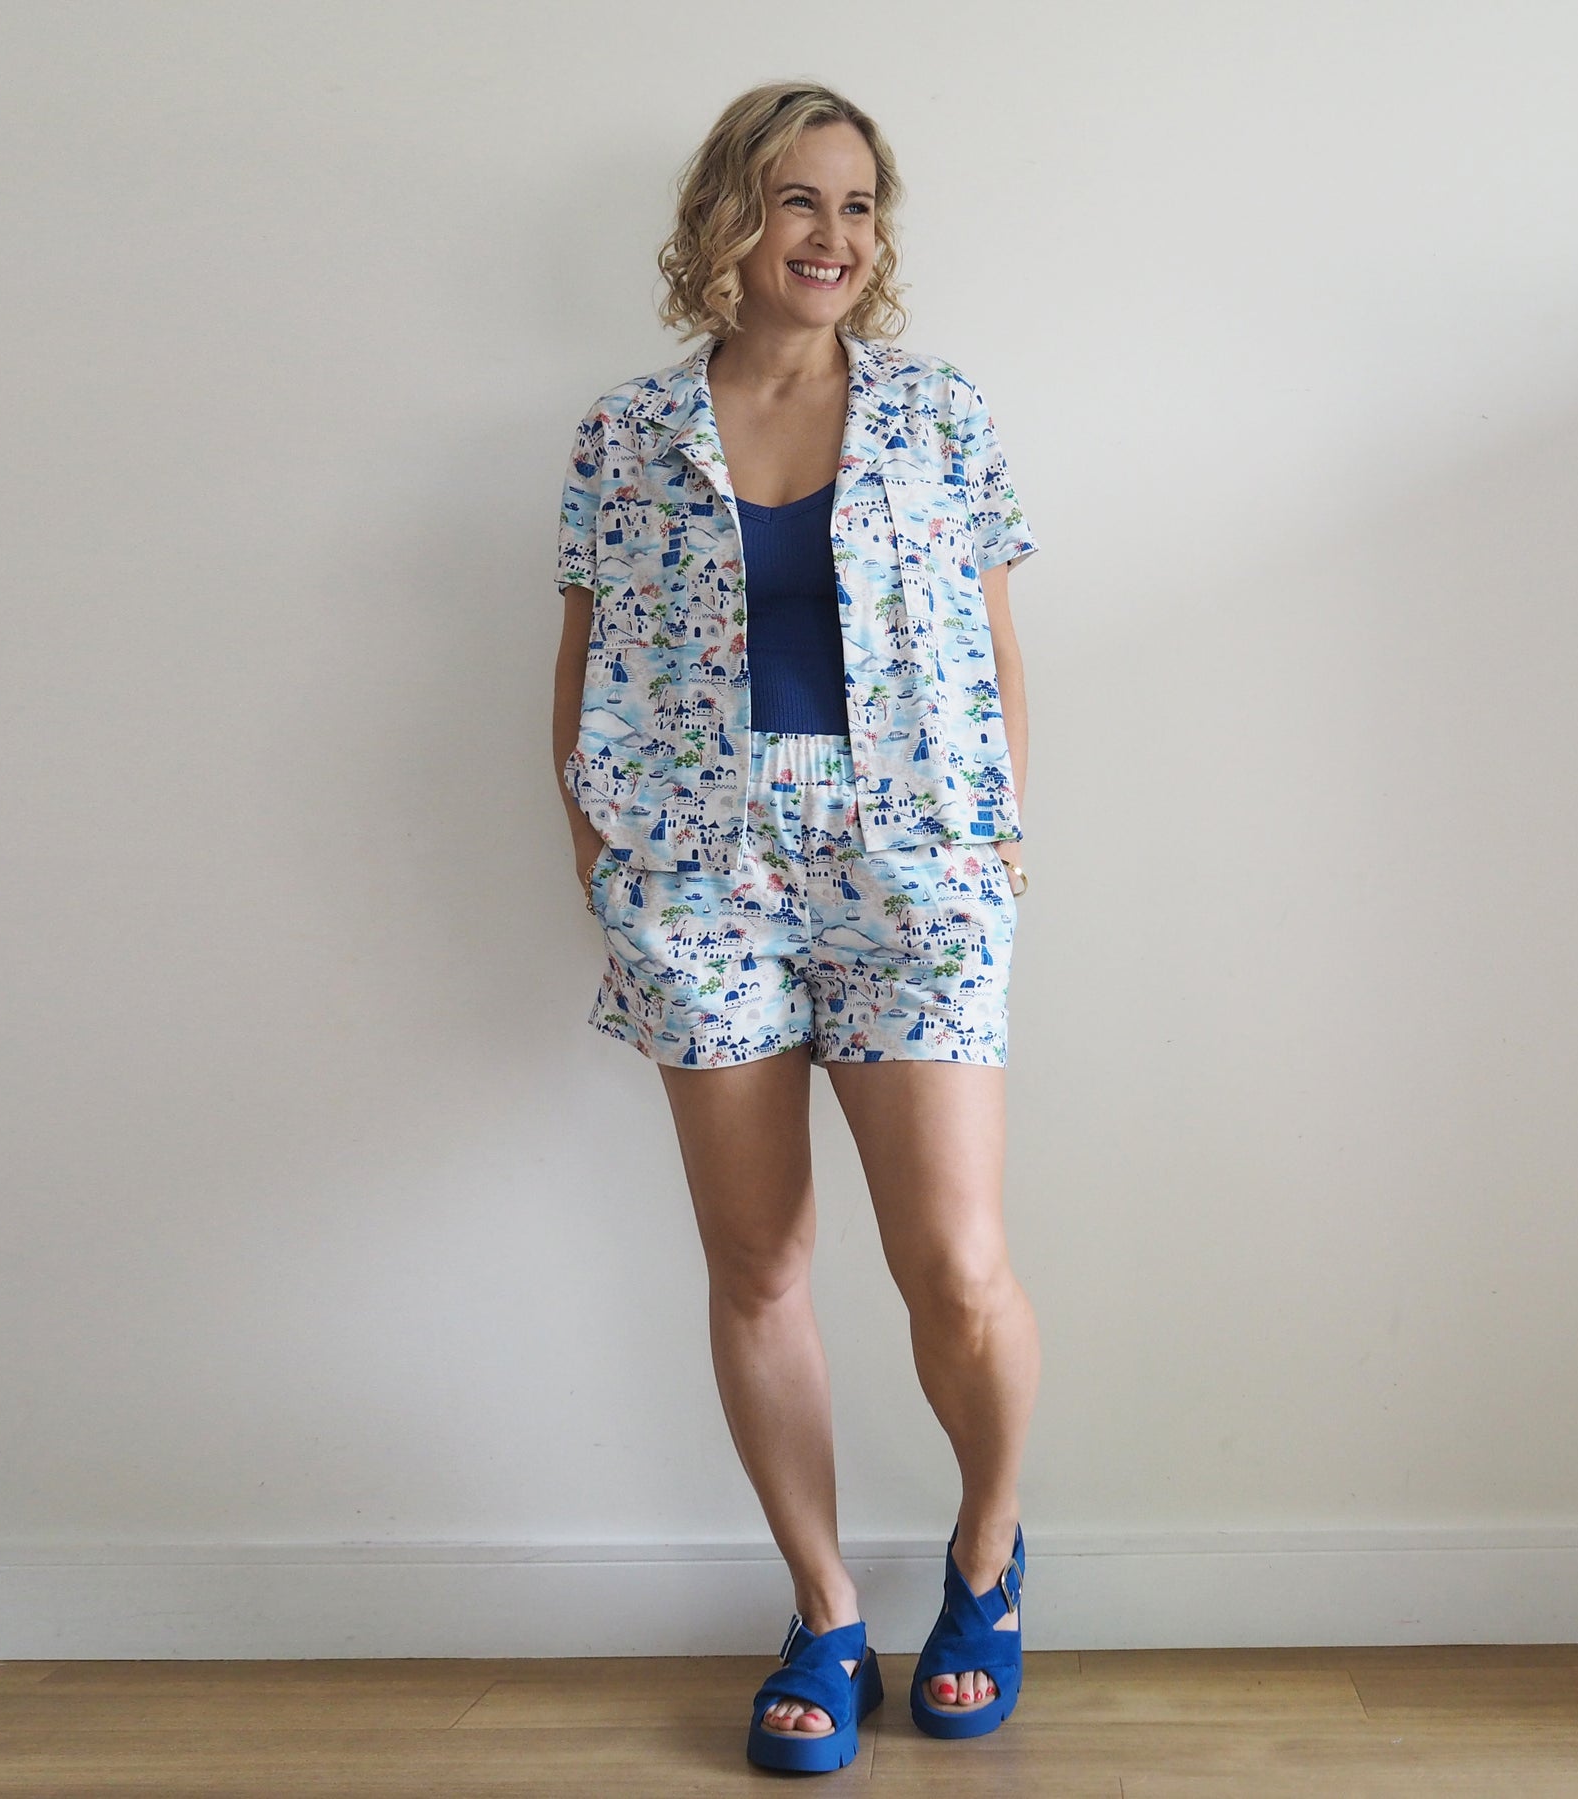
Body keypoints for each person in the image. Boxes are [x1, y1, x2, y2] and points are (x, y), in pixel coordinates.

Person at [550, 80, 1043, 1774]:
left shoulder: (939, 412)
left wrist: (997, 844)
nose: (832, 237)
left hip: (914, 867)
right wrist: (603, 857)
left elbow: (995, 645)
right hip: (698, 876)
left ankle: (986, 1555)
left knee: (953, 1265)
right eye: (796, 201)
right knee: (759, 1264)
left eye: (857, 205)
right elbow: (587, 664)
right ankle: (825, 1612)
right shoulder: (625, 433)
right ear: (728, 221)